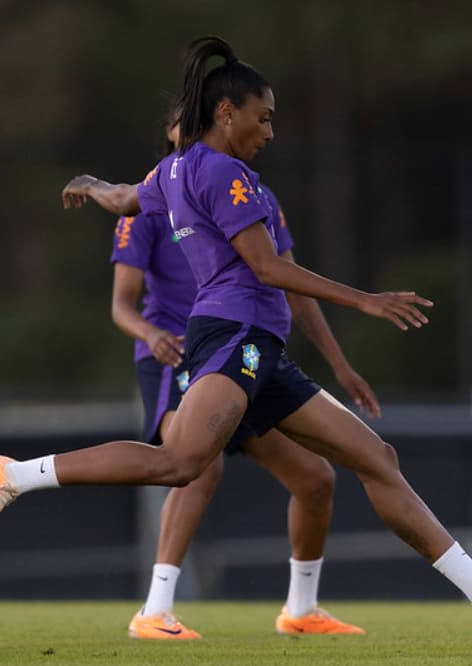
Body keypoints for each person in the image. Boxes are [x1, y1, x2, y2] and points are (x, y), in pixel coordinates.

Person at [0, 36, 472, 622]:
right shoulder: (226, 175)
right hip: (233, 335)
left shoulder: (171, 171)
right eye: (262, 118)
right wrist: (364, 300)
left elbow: (122, 199)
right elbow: (269, 269)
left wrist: (89, 184)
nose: (269, 131)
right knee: (181, 463)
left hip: (259, 347)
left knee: (375, 457)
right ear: (226, 112)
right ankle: (12, 475)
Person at [109, 108, 375, 638]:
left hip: (245, 355)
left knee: (315, 477)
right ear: (169, 131)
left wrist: (340, 364)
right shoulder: (150, 202)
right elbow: (121, 306)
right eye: (183, 121)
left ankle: (301, 610)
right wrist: (150, 334)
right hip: (182, 356)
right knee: (196, 465)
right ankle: (155, 609)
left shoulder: (256, 197)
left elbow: (291, 286)